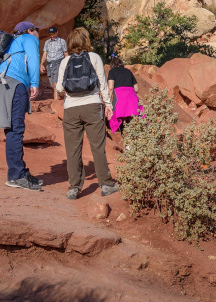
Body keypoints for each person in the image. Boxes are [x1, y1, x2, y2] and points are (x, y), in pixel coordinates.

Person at [55, 28, 118, 200]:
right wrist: (108, 105)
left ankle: (74, 187)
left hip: (71, 109)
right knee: (98, 146)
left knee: (73, 149)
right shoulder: (94, 57)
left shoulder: (65, 61)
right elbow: (103, 84)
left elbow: (60, 88)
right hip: (92, 106)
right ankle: (106, 184)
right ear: (86, 40)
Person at [0, 21, 43, 190]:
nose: (38, 33)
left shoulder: (12, 42)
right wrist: (34, 83)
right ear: (29, 30)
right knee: (16, 129)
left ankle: (19, 172)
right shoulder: (28, 39)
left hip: (1, 84)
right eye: (36, 29)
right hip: (15, 84)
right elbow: (33, 59)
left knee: (11, 129)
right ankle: (16, 176)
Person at [107, 52, 142, 139]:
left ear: (112, 65)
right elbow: (136, 89)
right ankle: (133, 143)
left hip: (120, 98)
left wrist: (108, 100)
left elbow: (110, 87)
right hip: (131, 97)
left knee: (118, 118)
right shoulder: (128, 71)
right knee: (131, 119)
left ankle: (124, 142)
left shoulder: (112, 72)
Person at [40, 26, 66, 113]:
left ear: (57, 32)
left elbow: (66, 53)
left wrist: (67, 64)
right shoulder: (47, 43)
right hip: (50, 64)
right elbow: (44, 54)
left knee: (55, 84)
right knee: (53, 85)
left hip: (59, 63)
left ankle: (55, 105)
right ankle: (59, 101)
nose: (52, 35)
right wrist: (41, 64)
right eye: (50, 34)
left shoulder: (62, 41)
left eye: (53, 33)